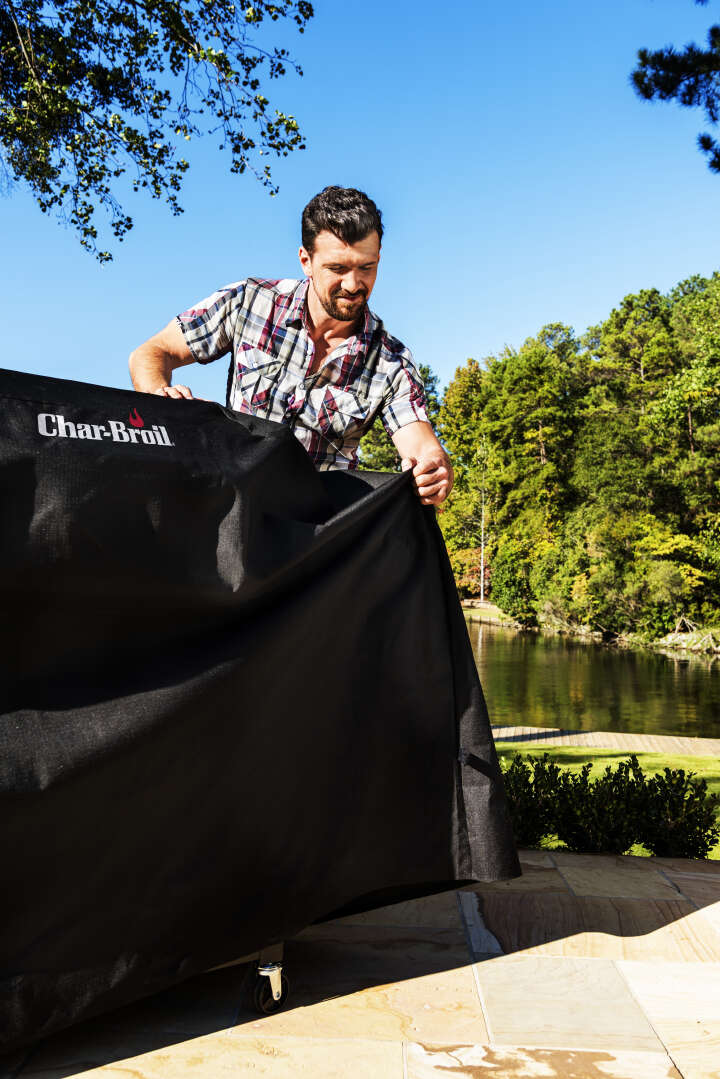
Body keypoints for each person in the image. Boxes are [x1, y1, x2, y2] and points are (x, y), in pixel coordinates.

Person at [129, 186, 453, 506]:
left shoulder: (390, 362)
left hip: (320, 529)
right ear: (306, 260)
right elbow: (152, 353)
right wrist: (159, 395)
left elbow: (421, 445)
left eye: (366, 268)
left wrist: (434, 469)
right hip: (234, 509)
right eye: (338, 269)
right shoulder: (249, 301)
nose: (354, 285)